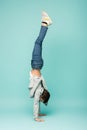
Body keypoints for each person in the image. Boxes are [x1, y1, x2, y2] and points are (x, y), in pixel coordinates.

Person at [28, 11, 52, 122]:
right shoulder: (39, 91)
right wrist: (36, 118)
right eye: (42, 100)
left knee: (39, 43)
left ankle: (45, 23)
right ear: (42, 97)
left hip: (38, 65)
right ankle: (45, 23)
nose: (39, 101)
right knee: (37, 43)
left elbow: (38, 101)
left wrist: (39, 114)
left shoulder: (41, 89)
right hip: (36, 64)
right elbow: (36, 103)